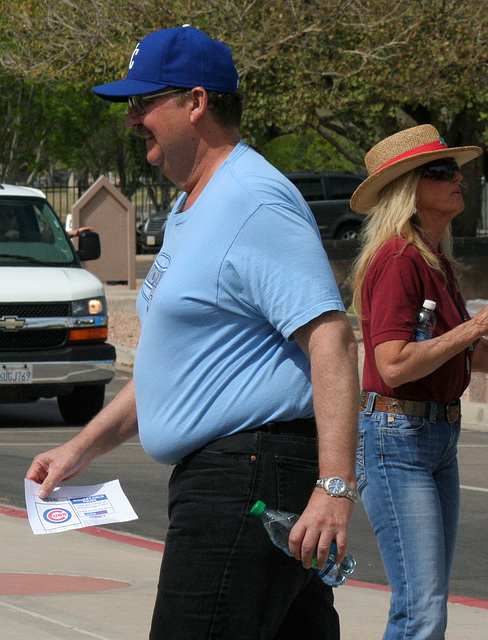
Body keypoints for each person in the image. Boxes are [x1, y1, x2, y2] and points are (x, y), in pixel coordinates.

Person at [26, 25, 359, 640]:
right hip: (235, 472)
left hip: (248, 474)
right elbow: (175, 367)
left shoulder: (254, 201)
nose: (133, 120)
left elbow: (332, 341)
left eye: (144, 102)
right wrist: (80, 449)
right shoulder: (192, 205)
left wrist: (334, 487)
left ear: (196, 103)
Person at [350, 124, 488, 640]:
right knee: (422, 611)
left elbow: (453, 358)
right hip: (397, 440)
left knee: (422, 606)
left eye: (455, 169)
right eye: (439, 171)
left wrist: (473, 338)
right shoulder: (399, 260)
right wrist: (474, 326)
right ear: (408, 189)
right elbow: (393, 365)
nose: (458, 179)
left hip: (434, 439)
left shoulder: (434, 261)